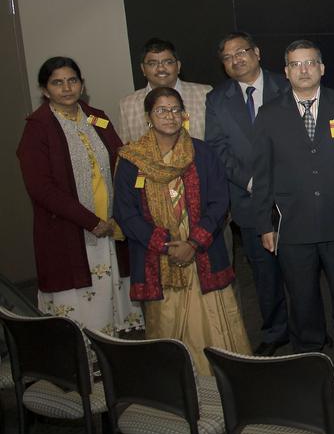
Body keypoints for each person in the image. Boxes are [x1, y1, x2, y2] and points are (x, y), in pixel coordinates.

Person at [114, 87, 251, 375]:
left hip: (202, 250)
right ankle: (176, 382)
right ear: (148, 116)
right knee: (166, 324)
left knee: (214, 324)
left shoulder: (201, 152)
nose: (170, 116)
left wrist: (193, 242)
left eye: (176, 109)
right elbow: (125, 212)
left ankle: (223, 380)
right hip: (157, 256)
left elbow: (219, 201)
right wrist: (165, 245)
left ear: (184, 115)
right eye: (162, 110)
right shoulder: (132, 159)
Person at [250, 40, 334, 366]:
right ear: (286, 72)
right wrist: (264, 224)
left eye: (310, 63)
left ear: (322, 68)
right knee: (302, 299)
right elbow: (262, 175)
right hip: (294, 223)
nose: (304, 70)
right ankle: (309, 358)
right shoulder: (269, 114)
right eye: (296, 64)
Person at [17, 56, 142, 336]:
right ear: (45, 90)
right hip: (69, 228)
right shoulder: (38, 128)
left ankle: (116, 350)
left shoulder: (96, 116)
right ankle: (86, 355)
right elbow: (41, 188)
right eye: (57, 82)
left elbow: (121, 161)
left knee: (114, 291)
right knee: (80, 299)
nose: (66, 88)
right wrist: (89, 221)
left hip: (110, 225)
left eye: (72, 80)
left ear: (82, 84)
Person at [205, 31, 293, 355]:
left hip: (291, 195)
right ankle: (274, 332)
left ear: (256, 52)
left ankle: (308, 330)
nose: (235, 60)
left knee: (300, 268)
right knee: (263, 272)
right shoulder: (217, 100)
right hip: (248, 198)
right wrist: (253, 181)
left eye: (241, 52)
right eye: (227, 57)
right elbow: (217, 148)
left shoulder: (286, 86)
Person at [117, 37, 212, 143]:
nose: (161, 68)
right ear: (143, 69)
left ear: (179, 66)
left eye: (168, 62)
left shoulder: (204, 94)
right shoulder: (127, 105)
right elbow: (125, 150)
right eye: (152, 63)